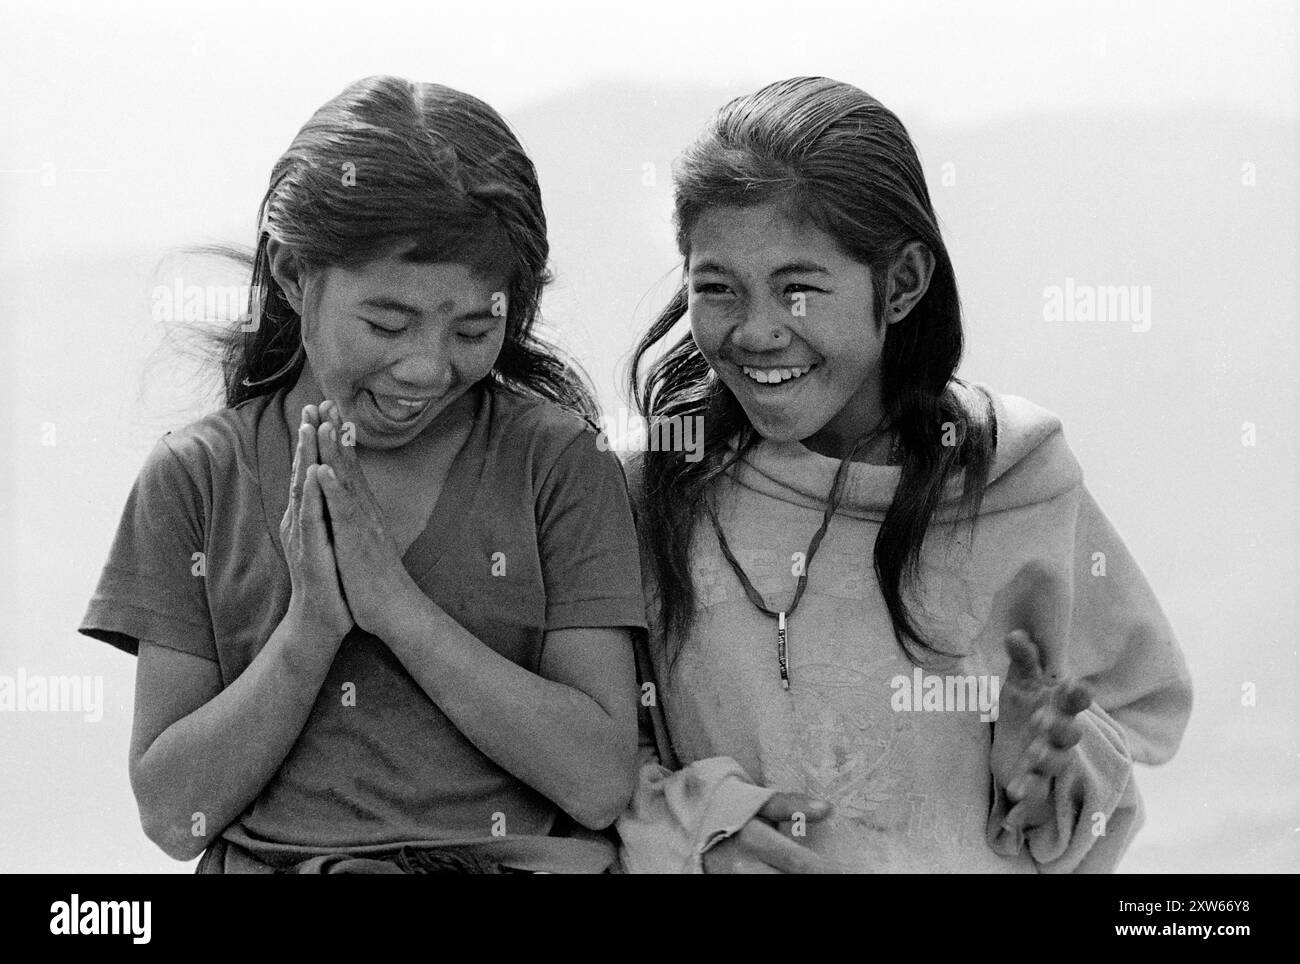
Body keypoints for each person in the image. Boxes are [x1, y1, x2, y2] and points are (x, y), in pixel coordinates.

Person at [617, 76, 1193, 873]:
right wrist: (705, 820)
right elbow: (595, 761)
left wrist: (1046, 771)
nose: (756, 331)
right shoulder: (656, 489)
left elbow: (1120, 735)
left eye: (798, 289)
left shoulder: (1012, 479)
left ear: (903, 283)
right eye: (717, 288)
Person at [79, 76, 644, 873]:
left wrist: (395, 606)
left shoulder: (556, 463)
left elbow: (598, 783)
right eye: (387, 322)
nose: (426, 367)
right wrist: (310, 628)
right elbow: (174, 816)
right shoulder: (198, 479)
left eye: (474, 328)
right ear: (290, 274)